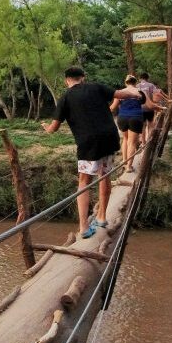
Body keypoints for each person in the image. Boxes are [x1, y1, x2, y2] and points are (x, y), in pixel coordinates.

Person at [41, 66, 144, 239]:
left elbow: (54, 127)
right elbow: (120, 94)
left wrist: (46, 128)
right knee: (104, 175)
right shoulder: (96, 87)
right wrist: (136, 94)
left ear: (67, 80)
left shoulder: (65, 97)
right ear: (83, 77)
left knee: (84, 181)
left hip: (88, 143)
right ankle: (102, 218)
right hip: (108, 138)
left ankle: (83, 227)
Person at [110, 75, 148, 173]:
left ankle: (124, 161)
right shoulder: (140, 92)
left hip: (122, 118)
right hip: (135, 118)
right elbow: (145, 104)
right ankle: (129, 166)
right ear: (135, 83)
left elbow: (113, 108)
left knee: (125, 139)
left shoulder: (120, 93)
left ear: (126, 82)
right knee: (132, 142)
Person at [137, 73, 170, 144]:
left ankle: (143, 142)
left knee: (143, 126)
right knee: (150, 125)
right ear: (147, 78)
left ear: (140, 78)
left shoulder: (137, 86)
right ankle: (149, 141)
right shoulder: (150, 85)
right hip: (149, 108)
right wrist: (167, 99)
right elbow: (158, 92)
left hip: (139, 108)